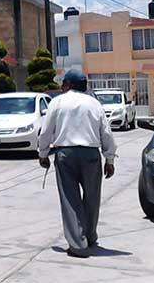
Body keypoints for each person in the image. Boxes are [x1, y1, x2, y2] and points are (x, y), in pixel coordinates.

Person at [38, 69, 117, 258]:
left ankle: (78, 244)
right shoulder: (94, 104)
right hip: (91, 154)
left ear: (68, 85)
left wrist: (43, 154)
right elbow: (106, 133)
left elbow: (46, 132)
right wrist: (110, 159)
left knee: (70, 200)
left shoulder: (57, 103)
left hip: (65, 154)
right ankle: (89, 236)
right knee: (92, 198)